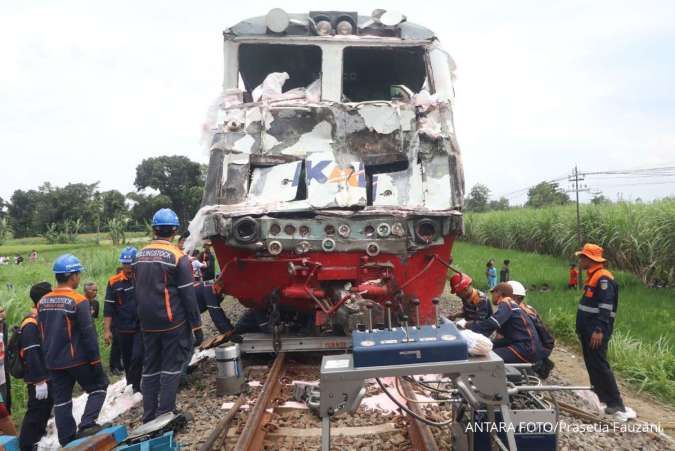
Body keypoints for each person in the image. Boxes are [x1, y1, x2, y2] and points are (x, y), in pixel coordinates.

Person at [134, 208, 203, 423]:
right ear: (174, 230)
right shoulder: (178, 257)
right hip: (173, 323)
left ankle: (149, 415)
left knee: (151, 367)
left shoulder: (139, 255)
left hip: (147, 323)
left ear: (154, 229)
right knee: (171, 367)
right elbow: (188, 296)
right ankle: (165, 414)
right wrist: (196, 326)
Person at [37, 254, 108, 445]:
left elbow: (41, 331)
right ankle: (87, 424)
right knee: (99, 386)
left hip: (53, 361)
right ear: (73, 276)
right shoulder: (78, 300)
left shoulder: (43, 302)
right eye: (78, 274)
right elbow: (88, 335)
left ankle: (67, 440)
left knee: (62, 400)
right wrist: (96, 363)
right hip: (77, 359)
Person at [575, 243, 635, 421]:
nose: (579, 260)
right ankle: (601, 397)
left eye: (582, 257)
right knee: (592, 363)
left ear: (590, 259)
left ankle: (615, 403)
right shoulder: (593, 276)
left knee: (600, 364)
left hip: (596, 331)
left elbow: (606, 306)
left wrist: (599, 329)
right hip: (588, 330)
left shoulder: (603, 279)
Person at [466, 282, 543, 364]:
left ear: (499, 293)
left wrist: (469, 328)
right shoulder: (512, 306)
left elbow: (493, 323)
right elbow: (495, 330)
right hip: (524, 344)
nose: (492, 296)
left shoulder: (507, 303)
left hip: (525, 348)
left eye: (493, 292)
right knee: (489, 346)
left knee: (488, 357)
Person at [18, 282, 54, 450]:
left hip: (46, 374)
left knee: (44, 411)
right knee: (36, 413)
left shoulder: (41, 317)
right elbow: (31, 353)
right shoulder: (31, 323)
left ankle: (36, 443)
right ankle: (26, 445)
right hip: (38, 379)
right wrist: (40, 381)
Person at [104, 247, 142, 393]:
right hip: (123, 327)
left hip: (140, 325)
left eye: (130, 264)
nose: (128, 267)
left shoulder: (142, 277)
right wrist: (107, 330)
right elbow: (108, 307)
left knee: (138, 356)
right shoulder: (114, 282)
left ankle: (138, 384)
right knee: (126, 357)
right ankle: (131, 383)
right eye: (125, 264)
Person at [507, 280, 555, 378]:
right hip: (543, 343)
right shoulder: (528, 308)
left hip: (533, 347)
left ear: (515, 297)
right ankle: (540, 362)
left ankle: (537, 366)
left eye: (505, 294)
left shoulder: (515, 311)